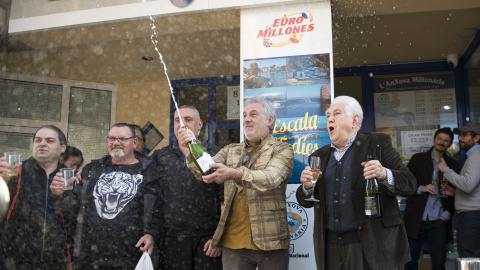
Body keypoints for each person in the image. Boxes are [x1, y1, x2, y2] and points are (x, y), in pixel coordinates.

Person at [296, 96, 417, 270]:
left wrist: (384, 174)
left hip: (372, 243)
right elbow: (306, 200)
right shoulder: (318, 156)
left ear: (354, 120)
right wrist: (307, 188)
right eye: (328, 115)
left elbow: (409, 184)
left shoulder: (377, 143)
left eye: (336, 113)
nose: (330, 118)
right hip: (330, 247)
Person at [177, 97, 294, 270]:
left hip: (271, 242)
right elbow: (204, 171)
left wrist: (235, 174)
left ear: (270, 120)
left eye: (253, 114)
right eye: (244, 115)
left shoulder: (282, 150)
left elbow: (271, 178)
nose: (247, 119)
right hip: (233, 244)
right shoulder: (230, 149)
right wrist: (190, 146)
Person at [50, 123, 162, 269]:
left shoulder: (148, 172)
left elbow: (157, 212)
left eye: (122, 138)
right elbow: (73, 208)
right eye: (112, 139)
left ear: (134, 143)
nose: (116, 143)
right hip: (92, 257)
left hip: (131, 255)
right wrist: (58, 195)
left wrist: (151, 234)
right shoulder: (92, 170)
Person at [151, 105, 223, 270]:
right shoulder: (160, 157)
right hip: (172, 241)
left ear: (199, 124)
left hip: (207, 241)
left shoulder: (217, 154)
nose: (182, 125)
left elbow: (227, 197)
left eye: (188, 120)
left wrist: (219, 237)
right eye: (177, 120)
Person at [0, 125, 74, 270]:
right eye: (38, 140)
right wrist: (2, 182)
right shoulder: (16, 171)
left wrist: (60, 197)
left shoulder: (69, 177)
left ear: (63, 147)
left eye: (49, 140)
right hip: (14, 259)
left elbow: (75, 216)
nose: (42, 144)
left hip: (57, 261)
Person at [403, 127, 461, 270]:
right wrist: (420, 188)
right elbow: (404, 184)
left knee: (439, 263)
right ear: (434, 139)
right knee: (410, 262)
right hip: (416, 217)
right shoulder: (418, 159)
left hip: (439, 220)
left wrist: (447, 214)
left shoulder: (453, 165)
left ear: (449, 144)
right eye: (440, 139)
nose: (442, 142)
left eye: (446, 140)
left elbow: (459, 193)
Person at [438, 122, 480, 258]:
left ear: (476, 137)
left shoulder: (476, 156)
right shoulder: (473, 156)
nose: (460, 138)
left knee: (469, 258)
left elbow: (468, 185)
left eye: (464, 135)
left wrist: (445, 170)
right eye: (460, 135)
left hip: (471, 216)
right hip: (470, 215)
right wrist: (454, 192)